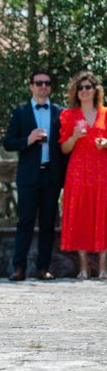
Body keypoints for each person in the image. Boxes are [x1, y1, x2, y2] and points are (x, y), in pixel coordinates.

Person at [3, 68, 64, 281]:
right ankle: (19, 268)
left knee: (48, 223)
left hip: (52, 175)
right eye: (39, 83)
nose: (43, 86)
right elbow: (8, 143)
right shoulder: (20, 112)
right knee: (25, 222)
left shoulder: (59, 112)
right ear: (31, 86)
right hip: (28, 176)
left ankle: (43, 268)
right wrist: (27, 140)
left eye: (47, 83)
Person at [59, 71, 107, 280]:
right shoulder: (68, 116)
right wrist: (75, 136)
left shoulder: (106, 114)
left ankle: (103, 268)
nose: (85, 91)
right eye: (81, 88)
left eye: (88, 87)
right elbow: (64, 149)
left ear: (96, 90)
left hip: (101, 171)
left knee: (103, 214)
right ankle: (84, 268)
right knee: (80, 216)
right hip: (78, 172)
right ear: (76, 92)